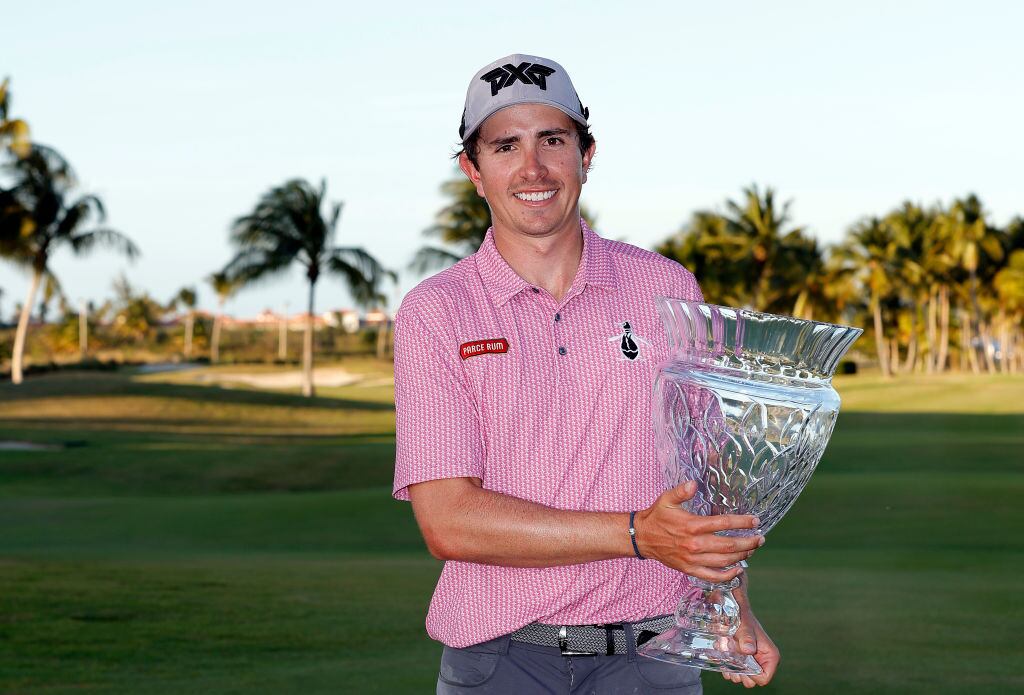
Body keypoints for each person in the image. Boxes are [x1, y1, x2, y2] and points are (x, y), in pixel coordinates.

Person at [393, 53, 780, 693]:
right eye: (505, 146)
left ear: (586, 154)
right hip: (500, 663)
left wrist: (731, 603)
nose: (533, 168)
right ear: (473, 169)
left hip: (653, 657)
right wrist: (637, 535)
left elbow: (704, 477)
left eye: (553, 140)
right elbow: (448, 520)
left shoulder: (665, 287)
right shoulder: (437, 312)